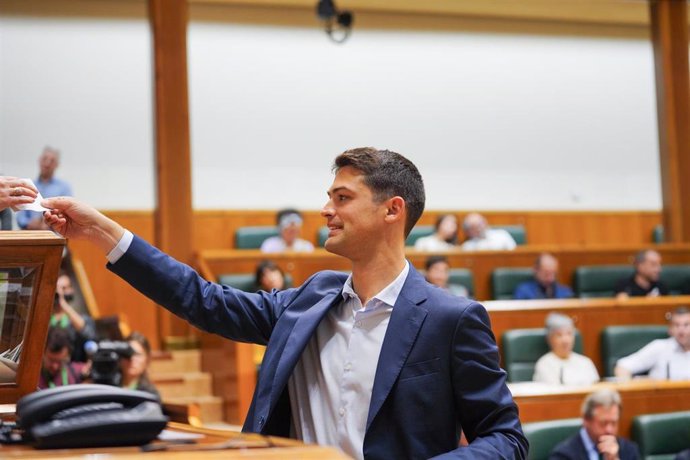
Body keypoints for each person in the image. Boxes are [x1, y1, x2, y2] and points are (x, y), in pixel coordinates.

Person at [42, 147, 527, 458]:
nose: (325, 211)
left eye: (342, 197)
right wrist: (103, 232)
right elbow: (201, 299)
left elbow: (505, 439)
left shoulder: (451, 319)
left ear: (391, 210)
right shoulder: (310, 299)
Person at [550, 389, 640, 460]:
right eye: (603, 423)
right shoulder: (563, 455)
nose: (609, 430)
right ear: (586, 420)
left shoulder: (629, 450)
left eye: (614, 423)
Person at [614, 306, 690, 380]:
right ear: (670, 329)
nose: (681, 330)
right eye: (676, 325)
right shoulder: (659, 347)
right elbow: (622, 367)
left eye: (686, 325)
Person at [533, 313, 599, 385]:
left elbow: (596, 389)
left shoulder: (585, 362)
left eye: (569, 333)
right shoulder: (544, 364)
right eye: (559, 335)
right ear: (550, 338)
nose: (565, 340)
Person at [17, 147, 73, 230]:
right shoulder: (28, 185)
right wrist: (28, 223)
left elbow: (67, 214)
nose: (47, 163)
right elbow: (20, 215)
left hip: (55, 235)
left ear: (57, 165)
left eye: (52, 161)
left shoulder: (64, 188)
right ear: (39, 160)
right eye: (44, 159)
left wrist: (50, 224)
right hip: (29, 234)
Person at [52, 271, 97, 363]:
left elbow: (89, 335)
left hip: (73, 370)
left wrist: (63, 303)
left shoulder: (81, 319)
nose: (60, 292)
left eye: (64, 288)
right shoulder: (45, 319)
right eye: (57, 289)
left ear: (71, 290)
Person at [120, 332, 160, 400]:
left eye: (137, 355)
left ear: (147, 360)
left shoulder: (150, 394)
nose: (132, 359)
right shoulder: (108, 388)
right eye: (127, 354)